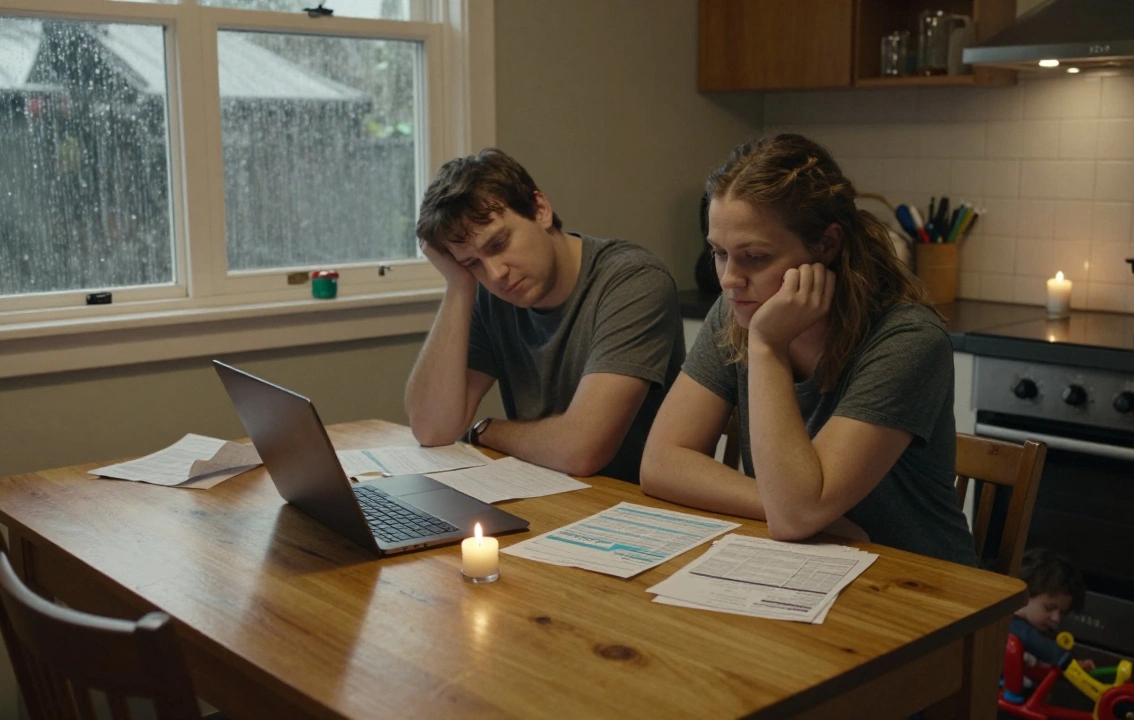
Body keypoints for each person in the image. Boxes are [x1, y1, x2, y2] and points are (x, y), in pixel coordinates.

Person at [639, 133, 976, 565]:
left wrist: (767, 346)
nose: (729, 279)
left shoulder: (908, 340)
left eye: (755, 257)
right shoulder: (737, 310)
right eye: (719, 253)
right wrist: (795, 510)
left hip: (922, 584)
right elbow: (661, 463)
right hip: (811, 565)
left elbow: (795, 516)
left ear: (827, 245)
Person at [404, 148, 684, 483]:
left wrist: (485, 430)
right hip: (546, 490)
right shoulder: (491, 294)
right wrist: (459, 286)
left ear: (540, 210)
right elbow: (431, 429)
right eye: (472, 263)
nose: (495, 273)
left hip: (631, 500)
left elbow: (580, 450)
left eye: (498, 244)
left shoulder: (634, 281)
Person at [1009, 548, 1094, 672]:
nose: (1056, 618)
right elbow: (1034, 641)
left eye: (1063, 613)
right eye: (1049, 608)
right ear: (1023, 594)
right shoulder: (1010, 624)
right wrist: (1068, 662)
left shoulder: (1037, 627)